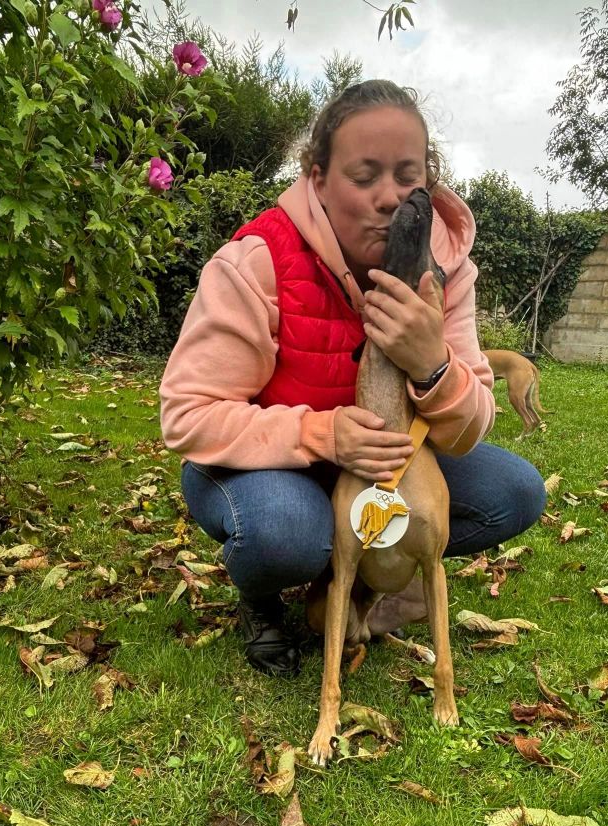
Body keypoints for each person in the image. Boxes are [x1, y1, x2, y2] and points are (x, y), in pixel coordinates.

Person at [160, 79, 546, 675]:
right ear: (318, 178)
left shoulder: (448, 272)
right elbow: (187, 414)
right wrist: (323, 435)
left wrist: (432, 364)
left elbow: (469, 432)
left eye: (406, 176)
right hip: (262, 465)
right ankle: (264, 597)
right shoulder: (258, 260)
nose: (389, 198)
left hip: (380, 464)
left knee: (513, 492)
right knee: (288, 531)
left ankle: (370, 583)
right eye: (364, 177)